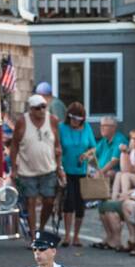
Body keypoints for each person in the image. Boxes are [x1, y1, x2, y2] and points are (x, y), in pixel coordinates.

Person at [9, 94, 63, 242]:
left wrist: (59, 167)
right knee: (30, 202)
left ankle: (42, 227)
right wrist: (14, 168)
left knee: (49, 201)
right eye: (38, 108)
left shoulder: (52, 120)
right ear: (31, 109)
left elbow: (57, 144)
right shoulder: (22, 122)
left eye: (43, 107)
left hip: (49, 168)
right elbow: (14, 145)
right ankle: (34, 235)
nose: (41, 110)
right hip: (27, 170)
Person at [58, 101, 95, 247]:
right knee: (69, 201)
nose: (75, 123)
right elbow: (57, 147)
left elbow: (93, 147)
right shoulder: (62, 128)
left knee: (80, 204)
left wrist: (86, 154)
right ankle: (67, 235)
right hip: (67, 170)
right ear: (69, 118)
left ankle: (77, 236)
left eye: (78, 120)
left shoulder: (87, 128)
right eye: (73, 119)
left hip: (82, 171)